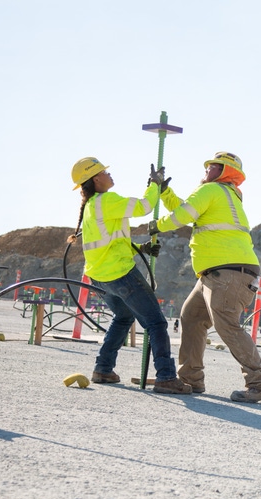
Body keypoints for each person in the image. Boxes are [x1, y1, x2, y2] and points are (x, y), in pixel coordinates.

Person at [148, 151, 261, 403]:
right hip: (218, 273)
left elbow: (182, 217)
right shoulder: (223, 195)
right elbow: (187, 210)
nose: (206, 171)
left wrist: (157, 225)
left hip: (226, 272)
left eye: (212, 167)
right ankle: (190, 379)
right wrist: (164, 192)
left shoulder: (212, 190)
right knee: (192, 318)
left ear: (224, 171)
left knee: (227, 326)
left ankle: (260, 384)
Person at [68, 156, 191, 395]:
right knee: (155, 322)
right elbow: (144, 207)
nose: (109, 174)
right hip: (121, 274)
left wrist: (141, 248)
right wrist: (155, 184)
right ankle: (166, 376)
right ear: (95, 179)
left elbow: (112, 241)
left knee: (123, 317)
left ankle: (103, 368)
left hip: (100, 277)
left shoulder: (93, 207)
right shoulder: (106, 200)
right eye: (105, 172)